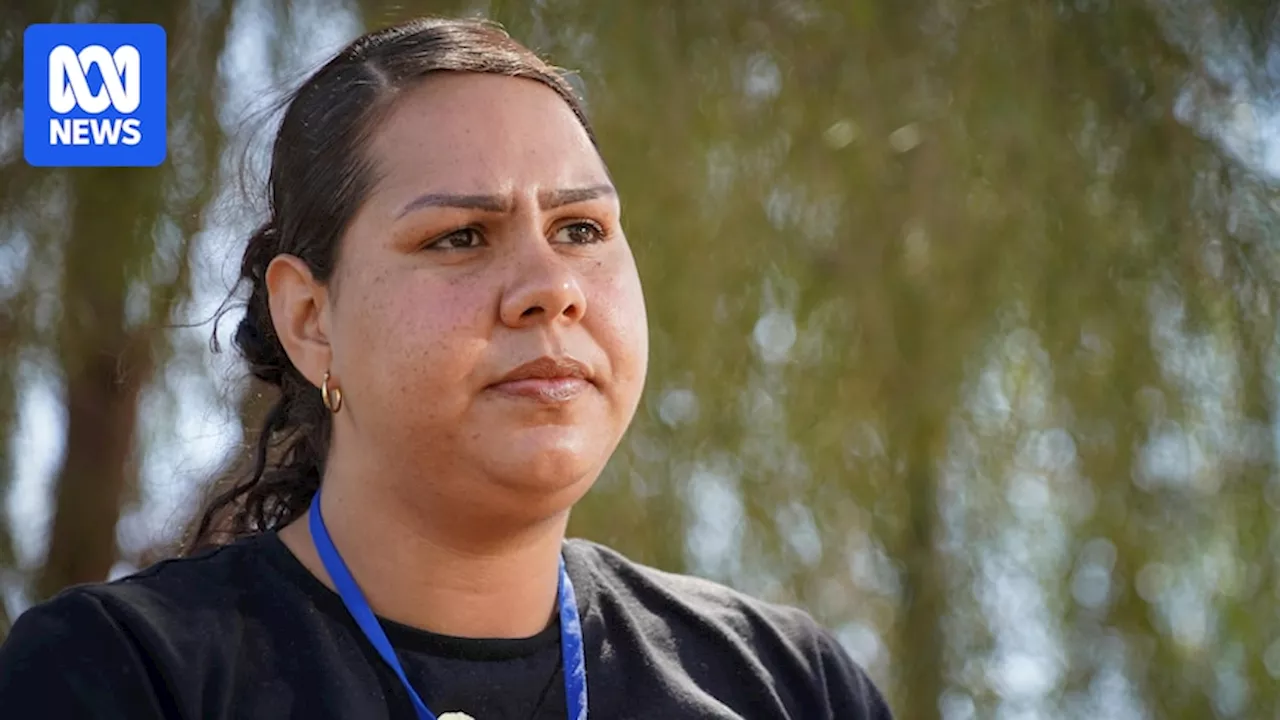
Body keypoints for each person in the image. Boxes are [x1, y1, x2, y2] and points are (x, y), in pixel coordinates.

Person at [0, 17, 893, 720]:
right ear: (311, 321)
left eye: (581, 230)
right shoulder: (123, 676)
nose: (551, 290)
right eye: (460, 237)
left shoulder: (787, 684)